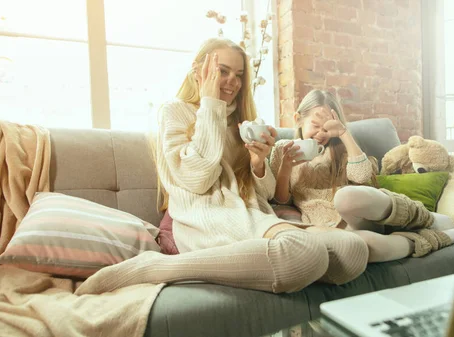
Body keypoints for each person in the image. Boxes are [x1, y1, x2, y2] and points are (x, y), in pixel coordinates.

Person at [75, 39, 369, 295]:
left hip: (252, 215)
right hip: (204, 218)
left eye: (239, 74)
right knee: (306, 255)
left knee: (352, 251)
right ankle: (157, 269)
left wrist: (257, 163)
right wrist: (210, 104)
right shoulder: (174, 111)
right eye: (223, 71)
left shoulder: (241, 123)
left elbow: (265, 195)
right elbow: (197, 179)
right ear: (198, 72)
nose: (233, 82)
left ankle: (266, 265)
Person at [270, 90, 454, 262]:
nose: (321, 134)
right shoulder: (283, 150)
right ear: (298, 119)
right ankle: (445, 237)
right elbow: (281, 200)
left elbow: (362, 176)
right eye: (315, 125)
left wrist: (343, 133)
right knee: (362, 248)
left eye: (326, 128)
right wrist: (286, 167)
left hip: (363, 211)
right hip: (333, 227)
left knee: (346, 197)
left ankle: (427, 219)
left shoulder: (340, 147)